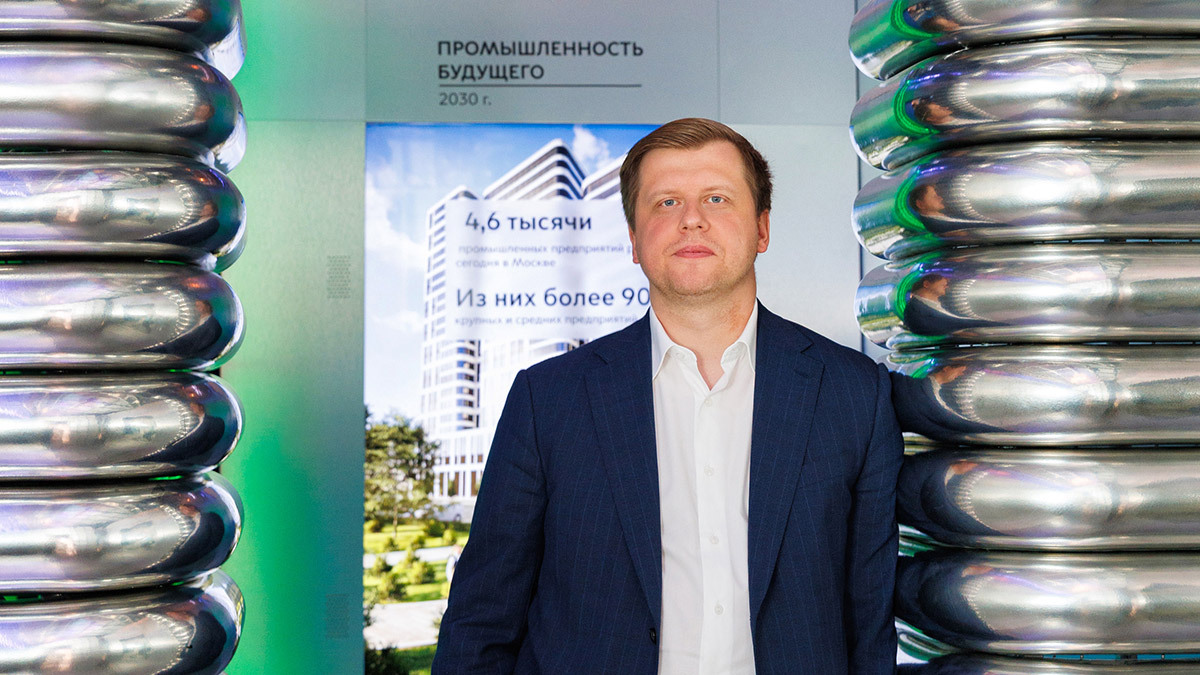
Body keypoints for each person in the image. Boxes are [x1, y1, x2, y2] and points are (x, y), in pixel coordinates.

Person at [433, 118, 903, 674]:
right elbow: (481, 622)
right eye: (666, 202)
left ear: (762, 229)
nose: (691, 219)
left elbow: (871, 626)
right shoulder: (548, 401)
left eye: (717, 198)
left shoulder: (854, 394)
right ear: (634, 240)